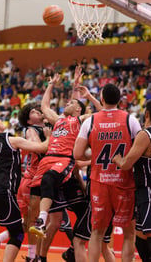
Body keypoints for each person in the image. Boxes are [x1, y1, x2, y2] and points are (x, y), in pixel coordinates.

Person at [29, 68, 100, 262]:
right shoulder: (59, 120)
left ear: (79, 109)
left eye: (72, 102)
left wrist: (87, 95)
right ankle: (39, 255)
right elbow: (44, 106)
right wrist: (51, 85)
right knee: (50, 205)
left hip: (64, 161)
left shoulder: (80, 120)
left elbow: (102, 113)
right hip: (50, 159)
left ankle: (73, 245)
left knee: (82, 210)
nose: (67, 102)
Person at [73, 83, 142, 262]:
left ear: (102, 99)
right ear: (119, 99)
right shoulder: (130, 120)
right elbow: (141, 149)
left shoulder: (91, 121)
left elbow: (77, 154)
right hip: (124, 182)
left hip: (99, 182)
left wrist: (93, 152)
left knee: (97, 233)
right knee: (129, 233)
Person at [0, 115, 48, 262]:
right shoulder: (11, 139)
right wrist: (50, 136)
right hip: (1, 189)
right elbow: (42, 147)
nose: (1, 120)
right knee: (17, 233)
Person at [112, 98, 151, 262]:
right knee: (141, 240)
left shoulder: (144, 135)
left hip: (149, 192)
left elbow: (125, 164)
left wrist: (117, 159)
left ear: (146, 114)